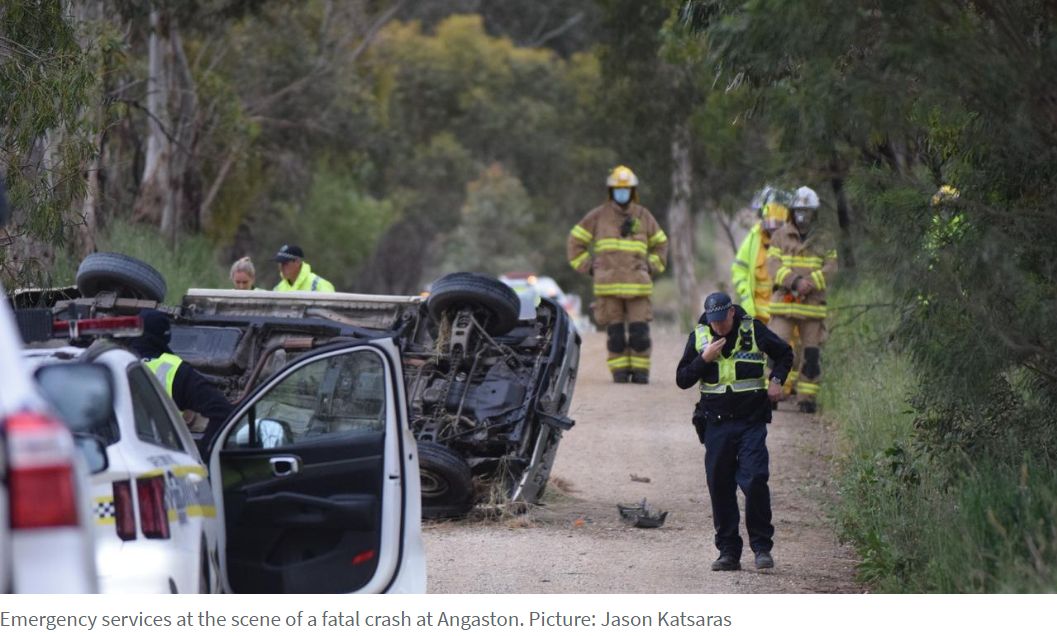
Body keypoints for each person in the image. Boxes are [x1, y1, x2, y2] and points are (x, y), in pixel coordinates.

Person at [676, 292, 793, 571]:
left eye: (722, 320)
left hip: (751, 421)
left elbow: (785, 353)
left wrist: (777, 380)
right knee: (720, 485)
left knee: (755, 480)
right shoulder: (700, 336)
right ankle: (728, 552)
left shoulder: (753, 330)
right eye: (713, 321)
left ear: (731, 313)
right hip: (715, 424)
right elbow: (682, 379)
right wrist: (704, 359)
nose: (718, 326)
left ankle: (762, 548)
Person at [567, 165, 668, 384]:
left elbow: (661, 244)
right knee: (616, 336)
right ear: (611, 191)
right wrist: (589, 266)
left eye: (626, 189)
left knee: (640, 334)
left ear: (633, 191)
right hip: (608, 289)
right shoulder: (598, 216)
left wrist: (650, 265)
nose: (622, 193)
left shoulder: (643, 216)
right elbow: (575, 242)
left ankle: (641, 373)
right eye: (618, 189)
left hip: (638, 288)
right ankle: (619, 374)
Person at [765, 186, 837, 414]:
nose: (802, 215)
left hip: (812, 306)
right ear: (792, 211)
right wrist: (795, 282)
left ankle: (807, 399)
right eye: (798, 210)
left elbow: (832, 266)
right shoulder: (780, 236)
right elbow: (772, 265)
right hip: (785, 303)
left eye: (807, 210)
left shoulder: (825, 238)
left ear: (815, 212)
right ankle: (772, 394)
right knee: (777, 349)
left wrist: (812, 282)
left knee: (811, 355)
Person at [128, 310, 234, 453]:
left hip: (113, 460)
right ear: (165, 337)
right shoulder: (174, 370)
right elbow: (223, 411)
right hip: (164, 459)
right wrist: (205, 454)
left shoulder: (111, 362)